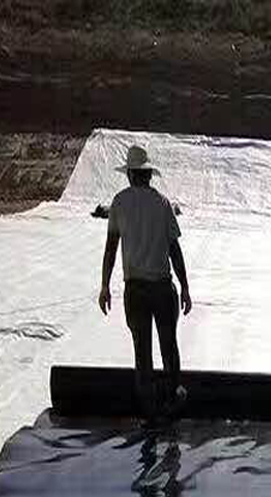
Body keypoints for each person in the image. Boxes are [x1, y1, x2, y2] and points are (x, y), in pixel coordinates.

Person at [98, 144, 192, 419]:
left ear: (130, 174)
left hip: (135, 290)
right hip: (162, 288)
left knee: (142, 352)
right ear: (149, 174)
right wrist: (185, 287)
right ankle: (172, 403)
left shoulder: (119, 202)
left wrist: (105, 286)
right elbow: (174, 249)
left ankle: (150, 412)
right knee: (168, 346)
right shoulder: (162, 203)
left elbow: (111, 247)